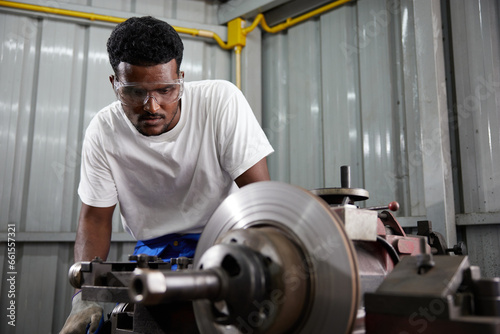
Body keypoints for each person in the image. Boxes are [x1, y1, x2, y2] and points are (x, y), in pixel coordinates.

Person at [60, 16, 273, 334]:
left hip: (223, 241)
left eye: (165, 90)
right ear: (114, 84)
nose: (152, 106)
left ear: (181, 78)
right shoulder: (103, 131)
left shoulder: (220, 103)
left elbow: (260, 199)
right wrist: (83, 297)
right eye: (134, 93)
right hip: (154, 258)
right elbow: (95, 218)